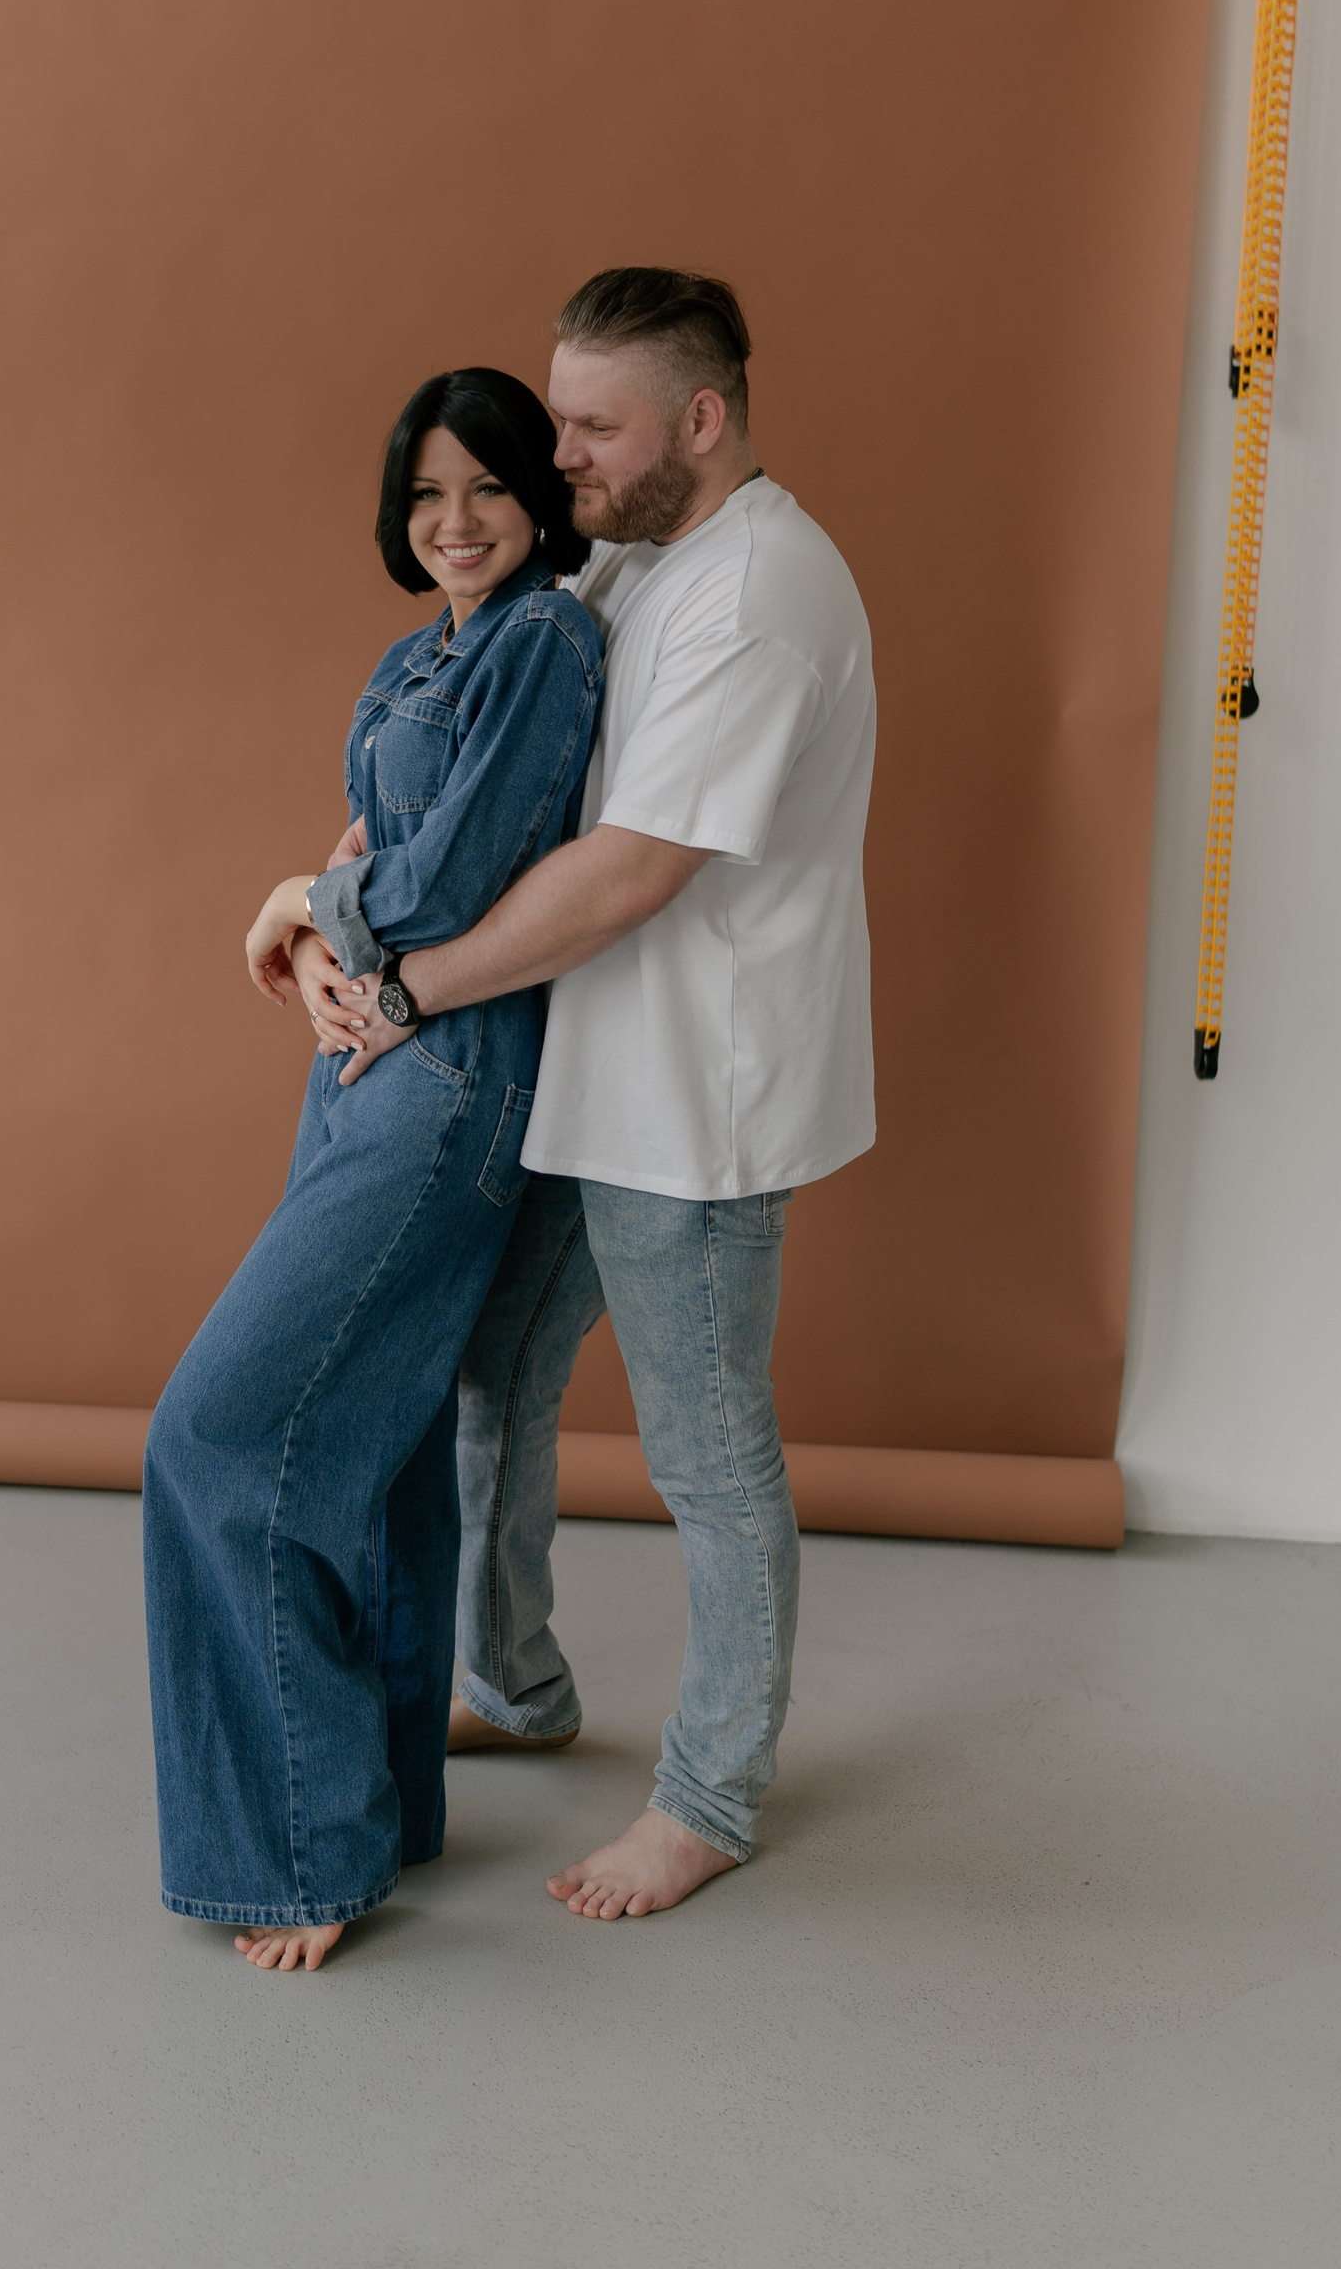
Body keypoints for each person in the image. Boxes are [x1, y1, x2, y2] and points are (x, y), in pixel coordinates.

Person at [308, 266, 875, 1925]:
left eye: (588, 427)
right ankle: (521, 1682)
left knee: (708, 1453)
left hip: (697, 1094)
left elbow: (628, 871)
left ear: (700, 419)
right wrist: (332, 888)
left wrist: (404, 987)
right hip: (583, 1061)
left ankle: (711, 1798)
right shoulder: (629, 550)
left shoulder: (759, 592)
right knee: (495, 1370)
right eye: (555, 420)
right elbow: (479, 747)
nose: (556, 458)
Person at [143, 368, 603, 1976]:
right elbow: (370, 864)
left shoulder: (548, 643)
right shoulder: (418, 658)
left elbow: (448, 877)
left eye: (487, 488)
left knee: (220, 1431)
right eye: (425, 496)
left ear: (537, 500)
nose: (456, 522)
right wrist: (322, 933)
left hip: (451, 1087)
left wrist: (299, 905)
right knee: (383, 1441)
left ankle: (298, 1846)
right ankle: (382, 1806)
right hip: (359, 1075)